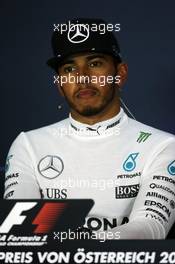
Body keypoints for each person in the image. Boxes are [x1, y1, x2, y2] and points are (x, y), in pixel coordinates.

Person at [4, 18, 175, 239]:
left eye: (94, 63)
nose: (82, 77)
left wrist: (81, 248)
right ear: (59, 84)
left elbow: (150, 228)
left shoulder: (163, 146)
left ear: (120, 74)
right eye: (69, 68)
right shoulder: (28, 145)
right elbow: (21, 233)